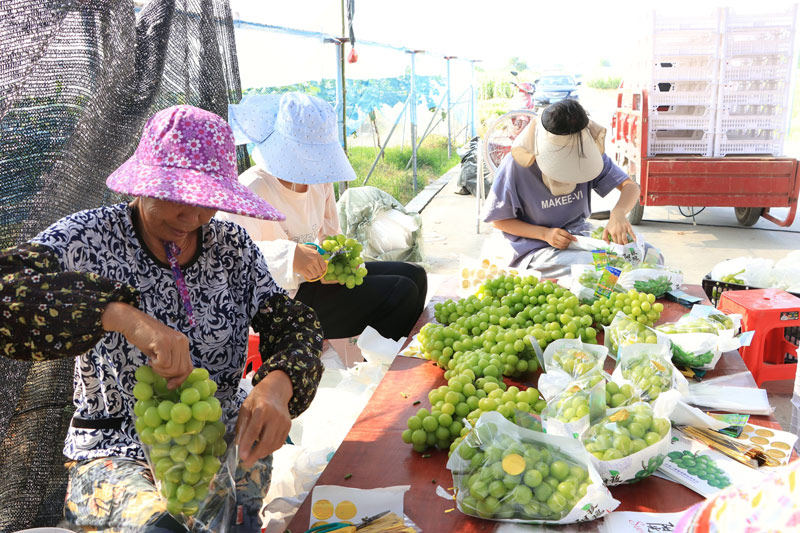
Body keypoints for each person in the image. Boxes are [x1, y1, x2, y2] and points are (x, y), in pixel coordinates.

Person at [0, 105, 323, 532]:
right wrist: (121, 316)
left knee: (234, 522)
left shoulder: (231, 246)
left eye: (206, 201)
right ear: (143, 183)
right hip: (114, 448)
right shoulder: (92, 239)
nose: (190, 217)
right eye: (176, 196)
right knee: (160, 528)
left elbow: (295, 324)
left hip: (217, 440)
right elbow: (8, 287)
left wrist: (279, 385)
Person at [220, 92, 427, 341]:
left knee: (415, 275)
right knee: (400, 292)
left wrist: (339, 263)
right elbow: (229, 257)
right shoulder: (251, 189)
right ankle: (382, 367)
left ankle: (381, 357)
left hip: (308, 284)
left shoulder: (319, 182)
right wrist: (289, 257)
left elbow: (331, 237)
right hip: (273, 300)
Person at [481, 100, 643, 278]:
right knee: (601, 269)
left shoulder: (587, 152)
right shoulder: (516, 165)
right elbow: (498, 219)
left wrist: (618, 213)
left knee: (645, 256)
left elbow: (630, 187)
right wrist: (545, 234)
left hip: (580, 240)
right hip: (536, 248)